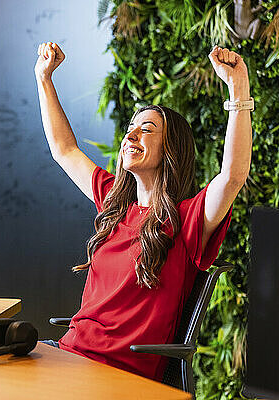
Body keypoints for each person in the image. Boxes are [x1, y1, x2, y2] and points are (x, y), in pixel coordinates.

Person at [34, 41, 252, 381]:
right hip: (71, 356)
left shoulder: (188, 220)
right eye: (130, 129)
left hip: (120, 376)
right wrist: (43, 77)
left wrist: (238, 90)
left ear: (170, 151)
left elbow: (233, 176)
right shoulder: (114, 203)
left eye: (147, 130)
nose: (131, 135)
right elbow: (64, 149)